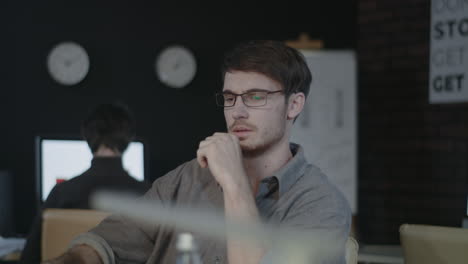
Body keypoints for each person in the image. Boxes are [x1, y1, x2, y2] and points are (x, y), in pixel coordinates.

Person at [46, 40, 351, 264]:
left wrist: (234, 183)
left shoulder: (322, 205)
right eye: (230, 97)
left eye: (255, 97)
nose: (237, 111)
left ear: (294, 105)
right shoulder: (186, 179)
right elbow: (104, 243)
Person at [20, 102, 150, 264]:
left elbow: (29, 257)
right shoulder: (149, 193)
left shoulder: (61, 193)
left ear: (86, 136)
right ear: (129, 138)